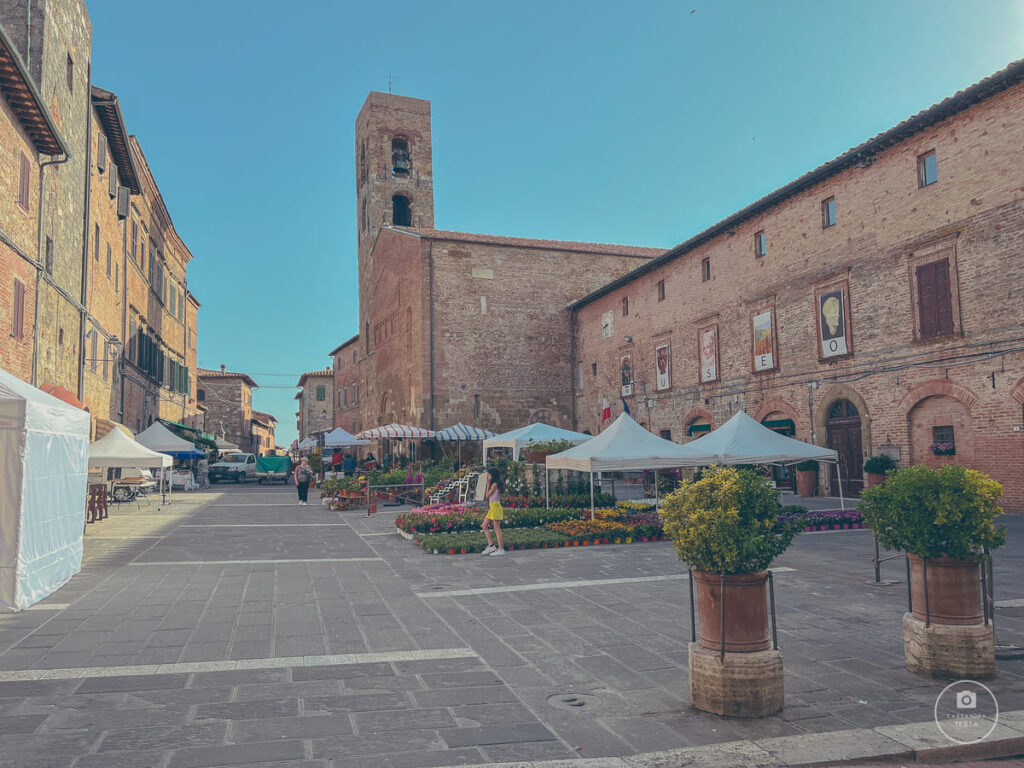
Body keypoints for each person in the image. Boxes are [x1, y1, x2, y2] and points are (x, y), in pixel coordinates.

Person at [481, 468, 505, 556]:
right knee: (484, 525)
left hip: (495, 507)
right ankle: (491, 545)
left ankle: (501, 549)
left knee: (496, 528)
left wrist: (488, 484)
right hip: (493, 508)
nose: (488, 476)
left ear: (493, 476)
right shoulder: (494, 484)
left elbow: (487, 495)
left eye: (489, 475)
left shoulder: (494, 485)